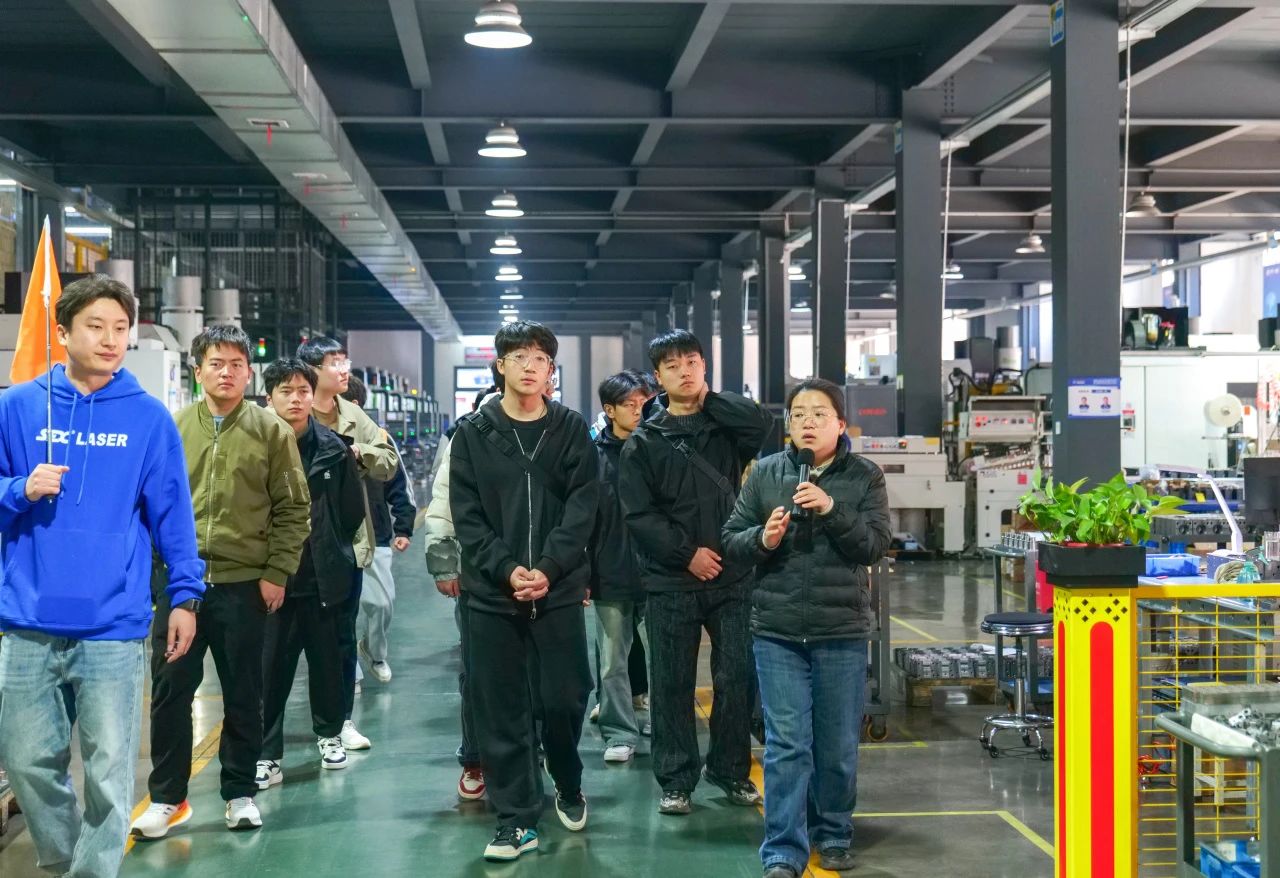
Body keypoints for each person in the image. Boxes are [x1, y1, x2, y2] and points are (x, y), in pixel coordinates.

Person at [0, 276, 204, 878]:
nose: (112, 339)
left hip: (113, 624)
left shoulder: (148, 418)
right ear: (63, 332)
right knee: (28, 763)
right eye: (96, 326)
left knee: (110, 770)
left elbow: (173, 514)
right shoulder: (17, 407)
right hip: (28, 621)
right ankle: (67, 860)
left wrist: (185, 596)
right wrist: (20, 488)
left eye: (121, 328)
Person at [135, 325, 310, 838]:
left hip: (245, 585)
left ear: (249, 373)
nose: (226, 373)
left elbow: (294, 509)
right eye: (216, 363)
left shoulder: (271, 432)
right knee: (170, 692)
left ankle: (239, 792)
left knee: (244, 693)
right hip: (180, 589)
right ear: (198, 371)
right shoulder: (172, 428)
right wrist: (156, 581)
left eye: (236, 364)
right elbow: (151, 508)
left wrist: (276, 572)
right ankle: (168, 798)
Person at [723, 378, 891, 878]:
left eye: (819, 414)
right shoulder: (766, 472)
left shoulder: (865, 476)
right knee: (787, 745)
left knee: (836, 744)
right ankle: (782, 849)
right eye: (798, 414)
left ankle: (833, 832)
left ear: (841, 424)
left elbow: (873, 546)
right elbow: (732, 539)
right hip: (777, 632)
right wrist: (764, 538)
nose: (808, 422)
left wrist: (832, 509)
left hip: (840, 631)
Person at [450, 321, 598, 862]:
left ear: (551, 370)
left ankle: (566, 774)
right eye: (519, 356)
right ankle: (515, 818)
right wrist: (507, 569)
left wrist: (551, 568)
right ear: (500, 366)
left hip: (557, 592)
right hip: (492, 594)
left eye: (540, 358)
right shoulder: (473, 433)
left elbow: (583, 506)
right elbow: (467, 516)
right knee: (500, 707)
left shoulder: (571, 429)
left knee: (565, 696)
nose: (530, 366)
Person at [619, 329, 773, 816]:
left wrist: (709, 399)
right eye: (672, 365)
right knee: (671, 682)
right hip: (671, 580)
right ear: (658, 377)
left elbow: (762, 423)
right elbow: (639, 515)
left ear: (704, 366)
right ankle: (676, 778)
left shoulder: (725, 428)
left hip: (732, 573)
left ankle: (730, 769)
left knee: (737, 677)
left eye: (692, 362)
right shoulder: (644, 442)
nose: (684, 371)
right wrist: (687, 554)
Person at [257, 358, 366, 788]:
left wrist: (332, 549)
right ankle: (266, 754)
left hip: (323, 576)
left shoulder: (334, 448)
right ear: (269, 397)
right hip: (272, 580)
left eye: (303, 390)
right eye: (286, 391)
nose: (296, 399)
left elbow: (352, 511)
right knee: (269, 671)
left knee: (327, 664)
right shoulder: (256, 445)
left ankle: (330, 735)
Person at [297, 337, 398, 752]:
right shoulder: (289, 413)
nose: (344, 370)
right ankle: (266, 747)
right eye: (334, 363)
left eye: (345, 361)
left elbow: (389, 461)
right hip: (293, 547)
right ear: (311, 371)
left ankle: (340, 724)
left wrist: (358, 453)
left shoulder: (354, 415)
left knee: (340, 638)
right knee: (279, 648)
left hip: (344, 542)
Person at [424, 368, 503, 803]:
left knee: (539, 673)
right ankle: (475, 759)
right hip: (478, 573)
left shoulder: (555, 429)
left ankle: (532, 749)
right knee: (476, 670)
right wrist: (444, 564)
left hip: (540, 574)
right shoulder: (470, 433)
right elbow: (443, 501)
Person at [588, 369, 656, 764]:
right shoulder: (592, 458)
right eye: (630, 404)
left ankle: (665, 725)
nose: (638, 411)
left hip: (659, 573)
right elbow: (583, 520)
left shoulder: (659, 450)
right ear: (609, 410)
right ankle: (619, 732)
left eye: (644, 404)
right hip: (609, 571)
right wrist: (582, 573)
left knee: (663, 658)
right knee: (613, 660)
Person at [342, 376, 416, 685]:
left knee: (381, 603)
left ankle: (374, 652)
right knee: (341, 610)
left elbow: (399, 485)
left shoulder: (379, 438)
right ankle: (348, 668)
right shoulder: (316, 437)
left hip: (376, 535)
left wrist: (404, 526)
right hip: (336, 538)